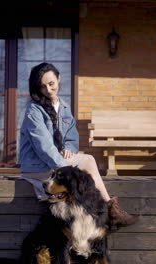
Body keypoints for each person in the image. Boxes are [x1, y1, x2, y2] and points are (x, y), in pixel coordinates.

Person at [19, 62, 139, 230]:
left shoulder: (64, 107)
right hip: (38, 164)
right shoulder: (34, 110)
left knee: (87, 163)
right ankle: (109, 210)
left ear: (59, 79)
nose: (48, 89)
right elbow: (43, 146)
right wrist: (64, 169)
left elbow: (72, 137)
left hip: (57, 160)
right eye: (43, 86)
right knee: (88, 161)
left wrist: (70, 149)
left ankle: (106, 212)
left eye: (51, 83)